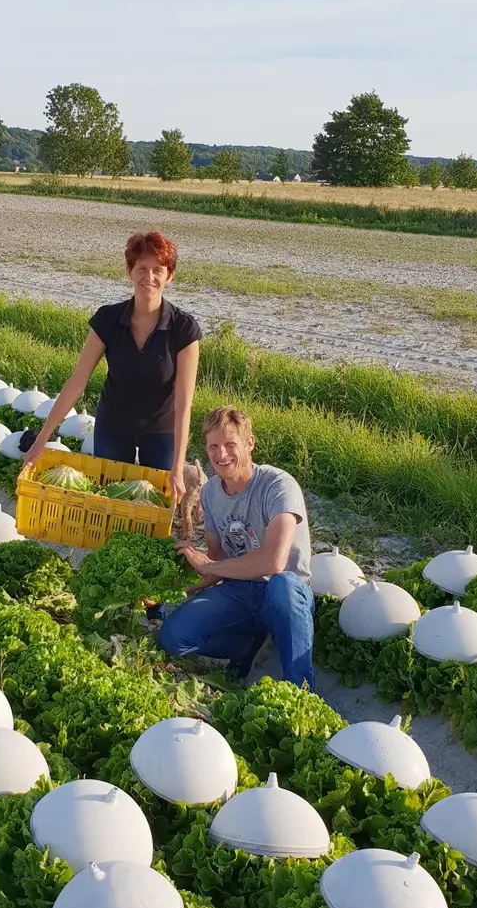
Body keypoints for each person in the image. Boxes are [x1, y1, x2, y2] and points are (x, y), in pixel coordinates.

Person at [20, 229, 201, 506]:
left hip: (161, 428)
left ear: (169, 276)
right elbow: (76, 383)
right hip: (114, 424)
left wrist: (178, 465)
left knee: (157, 502)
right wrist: (42, 439)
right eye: (142, 268)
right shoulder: (109, 320)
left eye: (158, 270)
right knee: (110, 500)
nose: (149, 278)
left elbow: (184, 403)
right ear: (130, 271)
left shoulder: (183, 329)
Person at [155, 405, 316, 688]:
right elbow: (217, 559)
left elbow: (274, 562)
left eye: (230, 444)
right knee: (173, 637)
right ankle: (245, 647)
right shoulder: (210, 493)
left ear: (250, 443)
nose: (221, 454)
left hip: (285, 593)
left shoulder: (277, 485)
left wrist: (211, 565)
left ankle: (300, 687)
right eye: (213, 446)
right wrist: (180, 587)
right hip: (239, 589)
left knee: (283, 587)